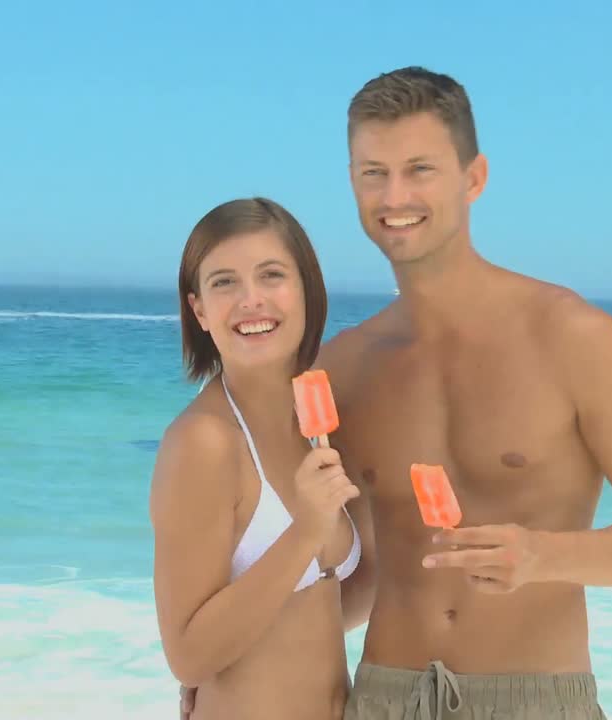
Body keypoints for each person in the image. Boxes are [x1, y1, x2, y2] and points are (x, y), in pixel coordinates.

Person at [184, 66, 612, 720]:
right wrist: (241, 665)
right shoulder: (344, 367)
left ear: (474, 177)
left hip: (532, 698)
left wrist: (544, 556)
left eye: (420, 169)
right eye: (373, 172)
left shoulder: (573, 338)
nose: (394, 194)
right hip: (383, 695)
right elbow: (352, 567)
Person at [150, 197, 367, 720]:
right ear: (199, 309)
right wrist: (306, 531)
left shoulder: (325, 426)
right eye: (224, 282)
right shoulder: (203, 443)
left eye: (271, 275)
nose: (251, 300)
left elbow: (328, 602)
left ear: (307, 292)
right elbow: (189, 657)